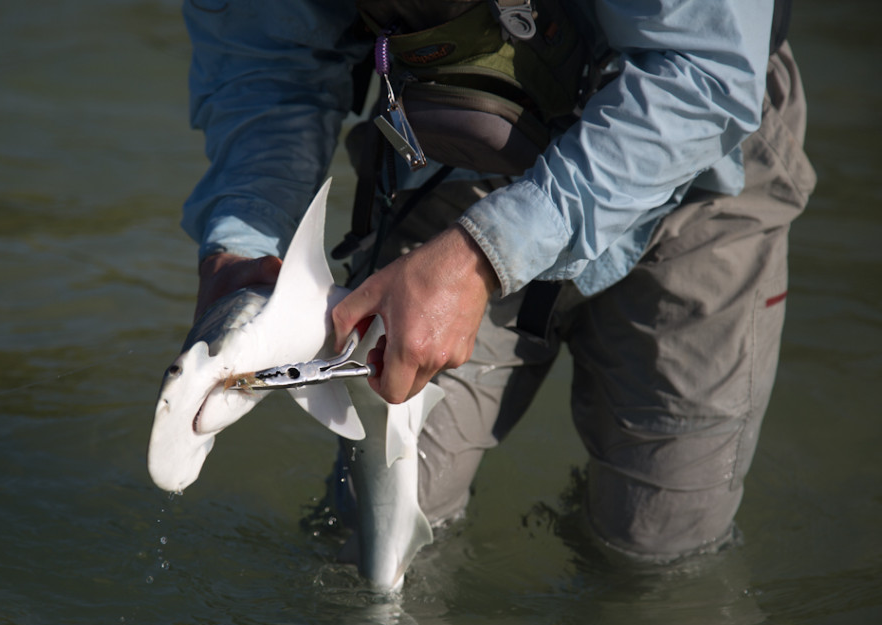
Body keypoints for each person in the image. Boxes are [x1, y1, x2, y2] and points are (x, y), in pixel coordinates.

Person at [181, 0, 815, 562]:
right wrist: (245, 247)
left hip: (703, 178)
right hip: (453, 159)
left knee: (660, 555)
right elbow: (267, 65)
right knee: (375, 543)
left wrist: (482, 256)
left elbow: (704, 74)